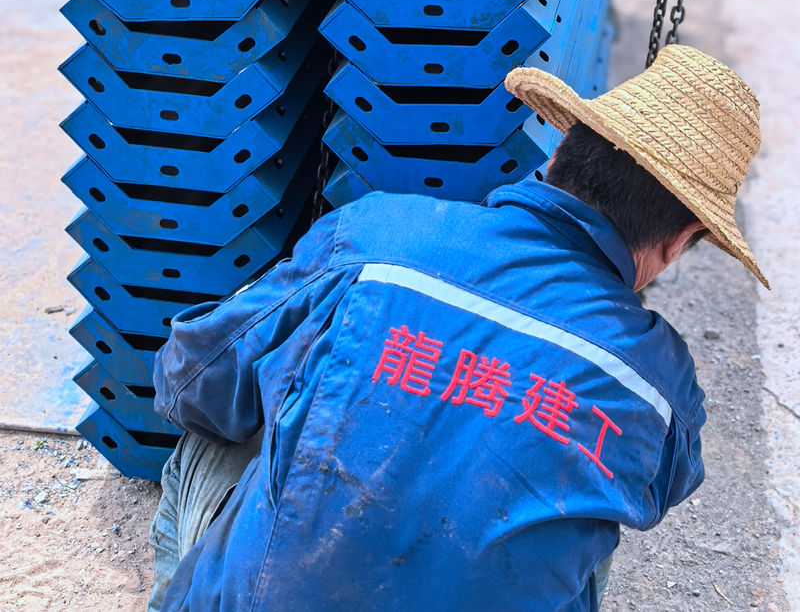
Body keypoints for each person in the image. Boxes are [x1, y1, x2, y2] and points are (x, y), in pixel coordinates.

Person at [147, 43, 767, 612]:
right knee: (584, 505)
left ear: (557, 154)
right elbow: (661, 487)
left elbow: (190, 379)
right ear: (681, 240)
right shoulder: (658, 384)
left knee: (223, 420)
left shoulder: (376, 237)